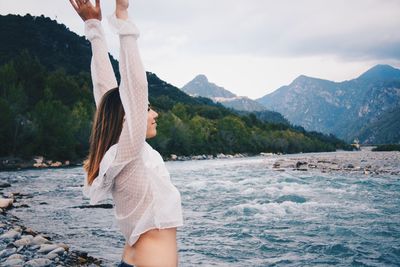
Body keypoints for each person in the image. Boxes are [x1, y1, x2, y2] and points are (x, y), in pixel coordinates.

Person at [68, 0, 183, 266]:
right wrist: (122, 15)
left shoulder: (123, 152)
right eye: (147, 108)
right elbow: (134, 85)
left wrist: (94, 28)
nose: (154, 114)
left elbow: (105, 92)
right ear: (128, 117)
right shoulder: (129, 150)